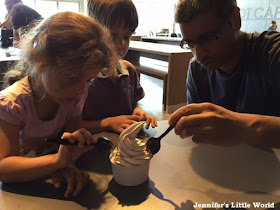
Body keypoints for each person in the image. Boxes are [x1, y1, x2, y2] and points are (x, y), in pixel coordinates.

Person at [0, 11, 116, 198]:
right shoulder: (12, 104)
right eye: (72, 77)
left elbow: (69, 141)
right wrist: (57, 161)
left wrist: (67, 164)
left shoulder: (72, 96)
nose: (81, 90)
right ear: (40, 62)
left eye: (88, 80)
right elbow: (4, 169)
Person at [168, 0, 280, 148]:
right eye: (190, 44)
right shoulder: (197, 70)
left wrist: (242, 128)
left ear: (235, 20)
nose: (199, 55)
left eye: (207, 38)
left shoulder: (273, 54)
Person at [82, 0, 157, 134]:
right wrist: (108, 123)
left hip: (124, 147)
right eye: (112, 36)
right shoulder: (83, 78)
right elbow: (70, 125)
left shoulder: (129, 71)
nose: (120, 45)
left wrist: (138, 112)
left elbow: (133, 103)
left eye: (126, 37)